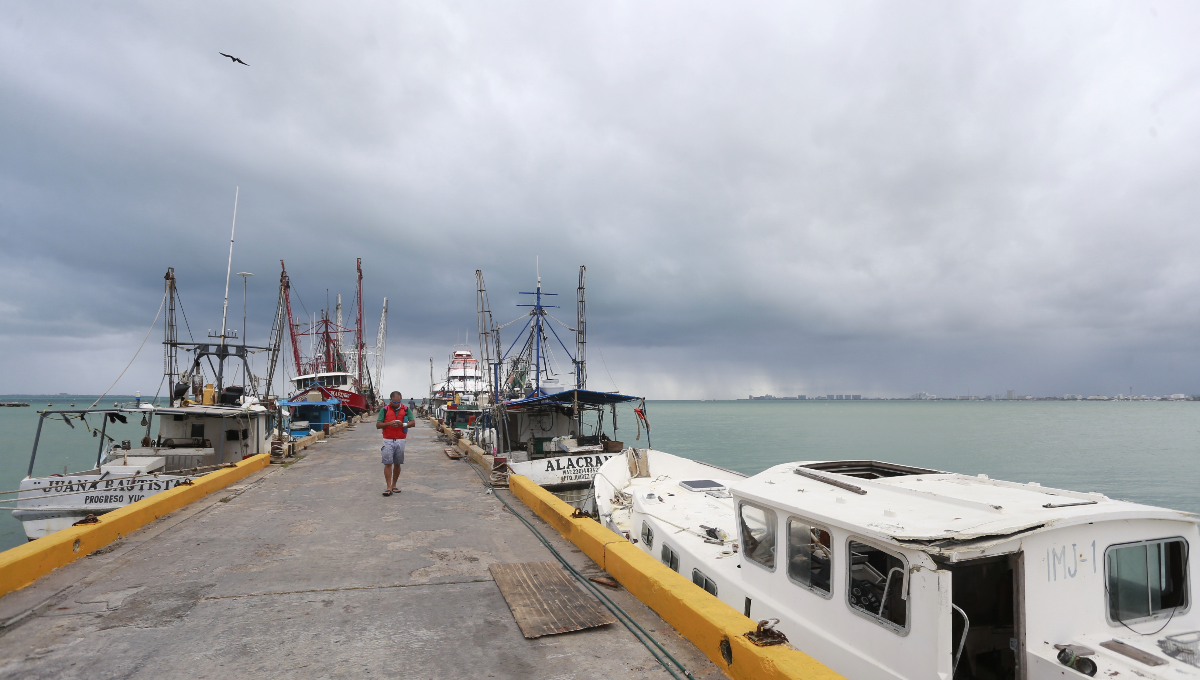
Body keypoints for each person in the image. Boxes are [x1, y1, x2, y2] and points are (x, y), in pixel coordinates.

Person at [376, 391, 415, 496]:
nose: (397, 404)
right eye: (394, 402)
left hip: (401, 440)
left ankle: (394, 485)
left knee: (397, 463)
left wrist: (403, 424)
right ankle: (388, 487)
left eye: (399, 402)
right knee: (388, 463)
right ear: (390, 400)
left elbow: (413, 423)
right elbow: (378, 425)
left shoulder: (406, 409)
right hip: (388, 439)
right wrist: (388, 424)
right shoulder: (384, 410)